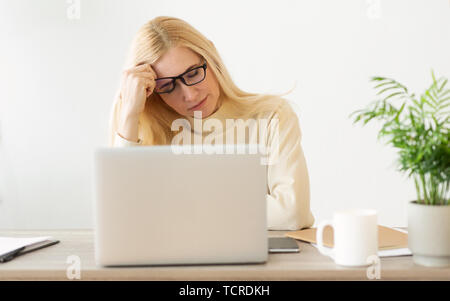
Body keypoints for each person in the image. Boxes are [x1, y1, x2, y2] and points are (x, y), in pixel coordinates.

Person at [109, 16, 315, 230]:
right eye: (168, 86)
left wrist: (179, 208)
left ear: (211, 58)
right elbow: (121, 215)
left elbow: (292, 214)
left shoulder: (272, 116)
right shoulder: (145, 132)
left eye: (193, 73)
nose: (189, 95)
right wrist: (129, 114)